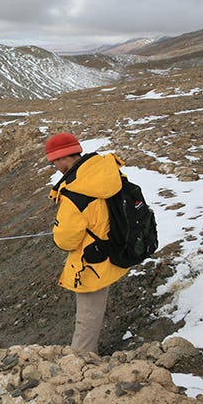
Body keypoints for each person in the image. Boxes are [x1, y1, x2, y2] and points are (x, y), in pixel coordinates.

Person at [46, 133, 128, 354]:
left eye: (54, 161)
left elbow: (66, 240)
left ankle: (82, 361)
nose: (55, 167)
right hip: (115, 248)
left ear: (64, 157)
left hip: (91, 262)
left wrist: (58, 231)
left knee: (87, 317)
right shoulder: (104, 171)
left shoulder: (74, 193)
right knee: (94, 310)